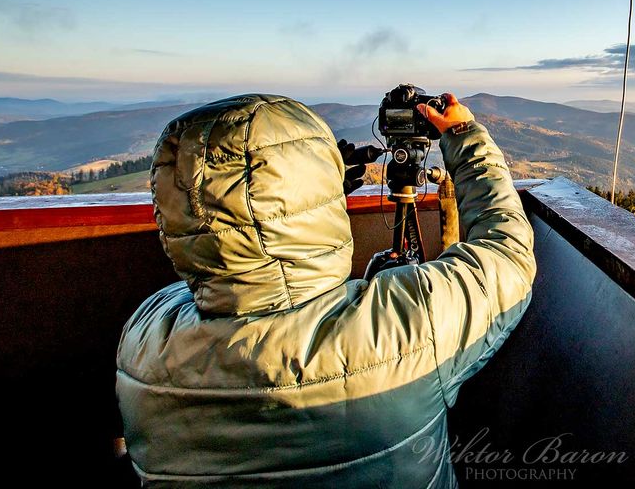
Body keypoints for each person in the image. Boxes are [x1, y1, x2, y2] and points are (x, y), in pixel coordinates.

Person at [116, 92, 536, 487]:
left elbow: (236, 260)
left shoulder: (145, 335)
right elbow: (508, 252)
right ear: (312, 195)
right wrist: (465, 137)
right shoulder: (407, 321)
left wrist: (317, 197)